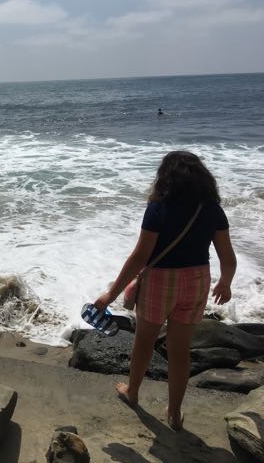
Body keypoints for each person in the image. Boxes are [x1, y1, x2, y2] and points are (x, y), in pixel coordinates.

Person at [94, 151, 236, 431]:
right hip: (197, 281)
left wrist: (111, 294)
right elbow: (228, 258)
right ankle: (174, 412)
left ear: (165, 178)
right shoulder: (212, 210)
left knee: (144, 341)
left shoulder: (159, 208)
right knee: (180, 350)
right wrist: (226, 283)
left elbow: (140, 257)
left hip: (160, 282)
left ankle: (133, 392)